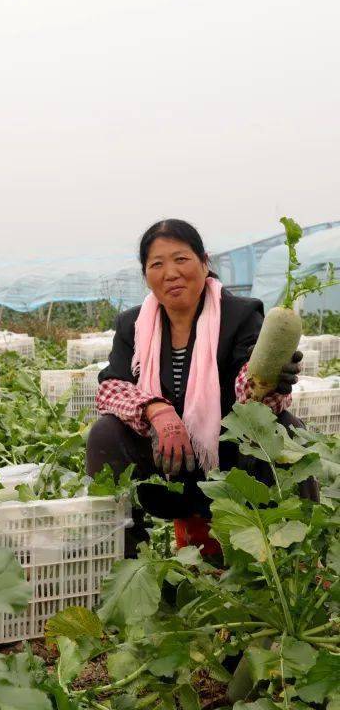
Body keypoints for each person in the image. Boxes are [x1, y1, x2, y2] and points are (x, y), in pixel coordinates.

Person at [86, 219, 305, 555]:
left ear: (205, 263)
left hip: (231, 464)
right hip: (166, 469)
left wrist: (272, 378)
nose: (170, 273)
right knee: (105, 433)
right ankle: (127, 556)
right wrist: (156, 410)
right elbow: (111, 387)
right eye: (157, 264)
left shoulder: (242, 315)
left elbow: (248, 391)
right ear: (146, 275)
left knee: (288, 428)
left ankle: (293, 558)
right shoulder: (132, 324)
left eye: (181, 259)